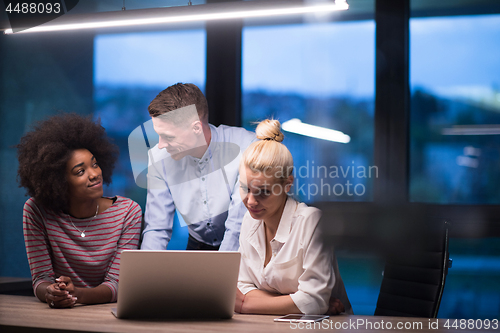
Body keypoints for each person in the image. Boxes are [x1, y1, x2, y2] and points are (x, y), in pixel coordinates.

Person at [17, 113, 142, 308]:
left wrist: (77, 295)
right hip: (58, 318)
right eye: (80, 171)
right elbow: (41, 279)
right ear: (58, 181)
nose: (94, 175)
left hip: (108, 315)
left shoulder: (128, 212)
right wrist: (52, 292)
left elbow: (117, 284)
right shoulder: (37, 212)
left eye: (95, 164)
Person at [235, 119, 352, 315]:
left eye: (263, 192)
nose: (251, 201)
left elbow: (313, 302)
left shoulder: (312, 222)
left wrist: (246, 304)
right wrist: (297, 301)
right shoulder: (250, 221)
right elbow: (241, 288)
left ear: (287, 184)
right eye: (245, 188)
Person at [140, 83, 256, 251]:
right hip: (196, 245)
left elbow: (237, 228)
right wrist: (144, 274)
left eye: (168, 136)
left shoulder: (246, 147)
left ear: (196, 128)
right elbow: (156, 229)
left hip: (244, 244)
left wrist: (223, 272)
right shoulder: (158, 158)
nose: (160, 145)